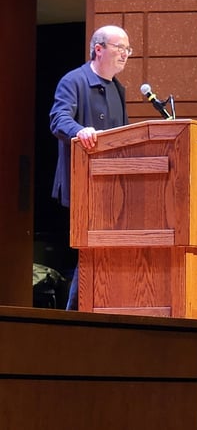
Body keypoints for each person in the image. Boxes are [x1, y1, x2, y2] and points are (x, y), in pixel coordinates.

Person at [49, 25, 132, 310]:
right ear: (99, 49)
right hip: (84, 183)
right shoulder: (74, 81)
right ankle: (75, 318)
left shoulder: (118, 89)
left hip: (113, 188)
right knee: (89, 252)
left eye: (127, 49)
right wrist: (80, 130)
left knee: (103, 253)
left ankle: (98, 311)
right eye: (119, 47)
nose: (125, 54)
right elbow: (58, 118)